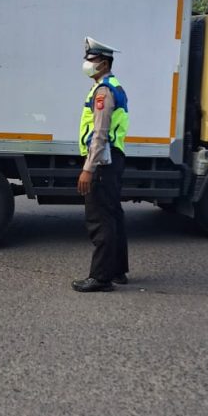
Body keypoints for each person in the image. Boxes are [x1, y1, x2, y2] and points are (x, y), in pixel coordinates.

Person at [72, 36, 129, 293]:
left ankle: (101, 278)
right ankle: (117, 271)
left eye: (91, 59)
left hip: (103, 161)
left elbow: (100, 133)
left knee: (100, 219)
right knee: (113, 215)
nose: (87, 63)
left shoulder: (103, 91)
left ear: (104, 64)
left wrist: (87, 168)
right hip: (112, 160)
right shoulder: (111, 86)